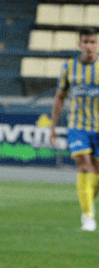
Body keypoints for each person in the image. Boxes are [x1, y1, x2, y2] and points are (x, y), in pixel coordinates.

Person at [50, 27, 99, 232]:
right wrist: (53, 126)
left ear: (97, 44)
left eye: (92, 42)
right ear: (79, 44)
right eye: (85, 42)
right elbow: (60, 97)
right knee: (84, 166)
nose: (89, 46)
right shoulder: (69, 67)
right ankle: (88, 216)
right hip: (77, 126)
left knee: (96, 172)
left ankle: (87, 203)